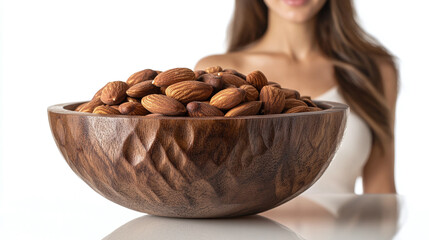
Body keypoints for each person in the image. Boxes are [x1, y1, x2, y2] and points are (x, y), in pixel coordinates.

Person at [195, 0, 398, 194]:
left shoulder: (375, 71)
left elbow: (381, 194)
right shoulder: (216, 76)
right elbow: (209, 191)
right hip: (248, 231)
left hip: (344, 230)